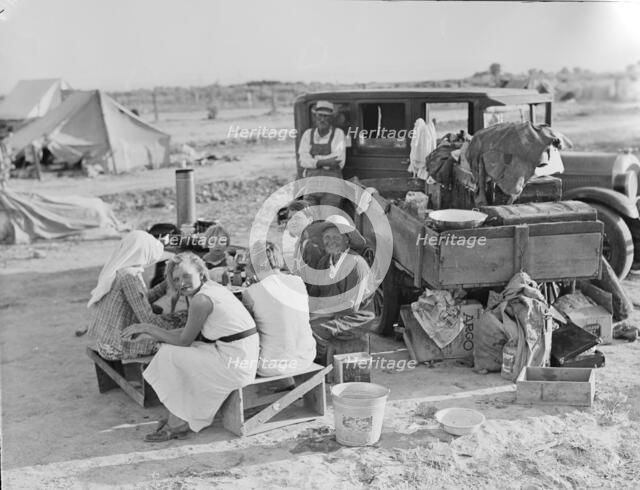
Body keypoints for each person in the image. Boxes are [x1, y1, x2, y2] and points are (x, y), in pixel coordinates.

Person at [122, 252, 259, 442]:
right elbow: (189, 331)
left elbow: (184, 340)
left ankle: (179, 421)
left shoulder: (201, 300)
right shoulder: (211, 288)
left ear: (201, 274)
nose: (181, 283)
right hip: (238, 355)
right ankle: (179, 415)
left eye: (186, 276)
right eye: (176, 279)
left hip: (236, 364)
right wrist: (150, 334)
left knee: (170, 354)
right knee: (171, 351)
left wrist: (146, 327)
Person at [86, 230, 186, 360]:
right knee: (180, 341)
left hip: (107, 342)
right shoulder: (129, 277)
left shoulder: (123, 271)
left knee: (177, 322)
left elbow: (140, 300)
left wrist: (167, 283)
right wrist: (181, 322)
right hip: (116, 347)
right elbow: (148, 321)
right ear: (144, 253)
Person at [307, 216, 376, 363]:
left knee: (314, 331)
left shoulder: (357, 265)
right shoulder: (324, 262)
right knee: (300, 325)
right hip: (331, 314)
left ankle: (320, 369)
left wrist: (320, 317)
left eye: (336, 237)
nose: (331, 241)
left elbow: (351, 307)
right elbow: (316, 295)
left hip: (355, 319)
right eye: (327, 237)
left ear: (347, 240)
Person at [242, 241, 316, 377]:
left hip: (271, 366)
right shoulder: (298, 282)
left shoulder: (251, 292)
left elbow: (246, 328)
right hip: (306, 357)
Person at [297, 100, 346, 208]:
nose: (322, 119)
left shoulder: (338, 134)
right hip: (311, 187)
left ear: (331, 118)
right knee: (310, 218)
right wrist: (325, 161)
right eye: (320, 116)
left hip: (331, 188)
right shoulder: (307, 134)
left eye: (326, 116)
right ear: (315, 117)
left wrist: (313, 160)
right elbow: (303, 161)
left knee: (328, 219)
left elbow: (338, 160)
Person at [285, 199, 325, 282]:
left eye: (297, 218)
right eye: (290, 218)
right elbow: (296, 273)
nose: (292, 222)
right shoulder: (299, 243)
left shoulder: (315, 245)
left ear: (310, 220)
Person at [0, 123, 13, 189]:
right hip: (3, 160)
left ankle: (4, 187)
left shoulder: (5, 142)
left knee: (4, 174)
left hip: (5, 160)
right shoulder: (3, 142)